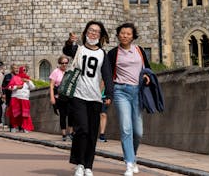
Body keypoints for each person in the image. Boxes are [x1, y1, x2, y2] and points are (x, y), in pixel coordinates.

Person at [62, 21, 114, 176]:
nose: (93, 34)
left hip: (95, 98)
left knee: (92, 132)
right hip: (78, 96)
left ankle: (88, 165)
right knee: (82, 129)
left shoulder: (102, 54)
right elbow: (67, 50)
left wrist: (109, 94)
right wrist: (70, 41)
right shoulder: (79, 49)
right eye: (91, 30)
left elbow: (107, 76)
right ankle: (79, 163)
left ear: (101, 35)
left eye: (97, 32)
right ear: (85, 32)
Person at [108, 23, 151, 176]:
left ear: (133, 36)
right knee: (126, 128)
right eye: (122, 33)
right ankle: (129, 162)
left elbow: (147, 69)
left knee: (138, 131)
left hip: (137, 92)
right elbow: (107, 75)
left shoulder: (139, 50)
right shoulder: (113, 53)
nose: (125, 36)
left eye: (128, 33)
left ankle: (133, 156)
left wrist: (146, 76)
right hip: (121, 91)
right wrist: (106, 94)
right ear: (118, 35)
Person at [49, 55, 73, 141]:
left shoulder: (70, 72)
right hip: (60, 97)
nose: (64, 65)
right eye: (62, 63)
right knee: (62, 115)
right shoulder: (56, 72)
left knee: (71, 114)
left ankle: (70, 133)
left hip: (69, 96)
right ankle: (64, 134)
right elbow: (51, 85)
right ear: (59, 63)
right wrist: (52, 97)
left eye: (66, 63)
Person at [7, 66, 35, 133]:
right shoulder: (15, 78)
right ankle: (13, 127)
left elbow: (33, 87)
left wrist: (27, 81)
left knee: (25, 114)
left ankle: (25, 127)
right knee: (15, 113)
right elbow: (9, 87)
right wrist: (17, 87)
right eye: (23, 70)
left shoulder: (28, 79)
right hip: (16, 97)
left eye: (25, 70)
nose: (24, 71)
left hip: (25, 98)